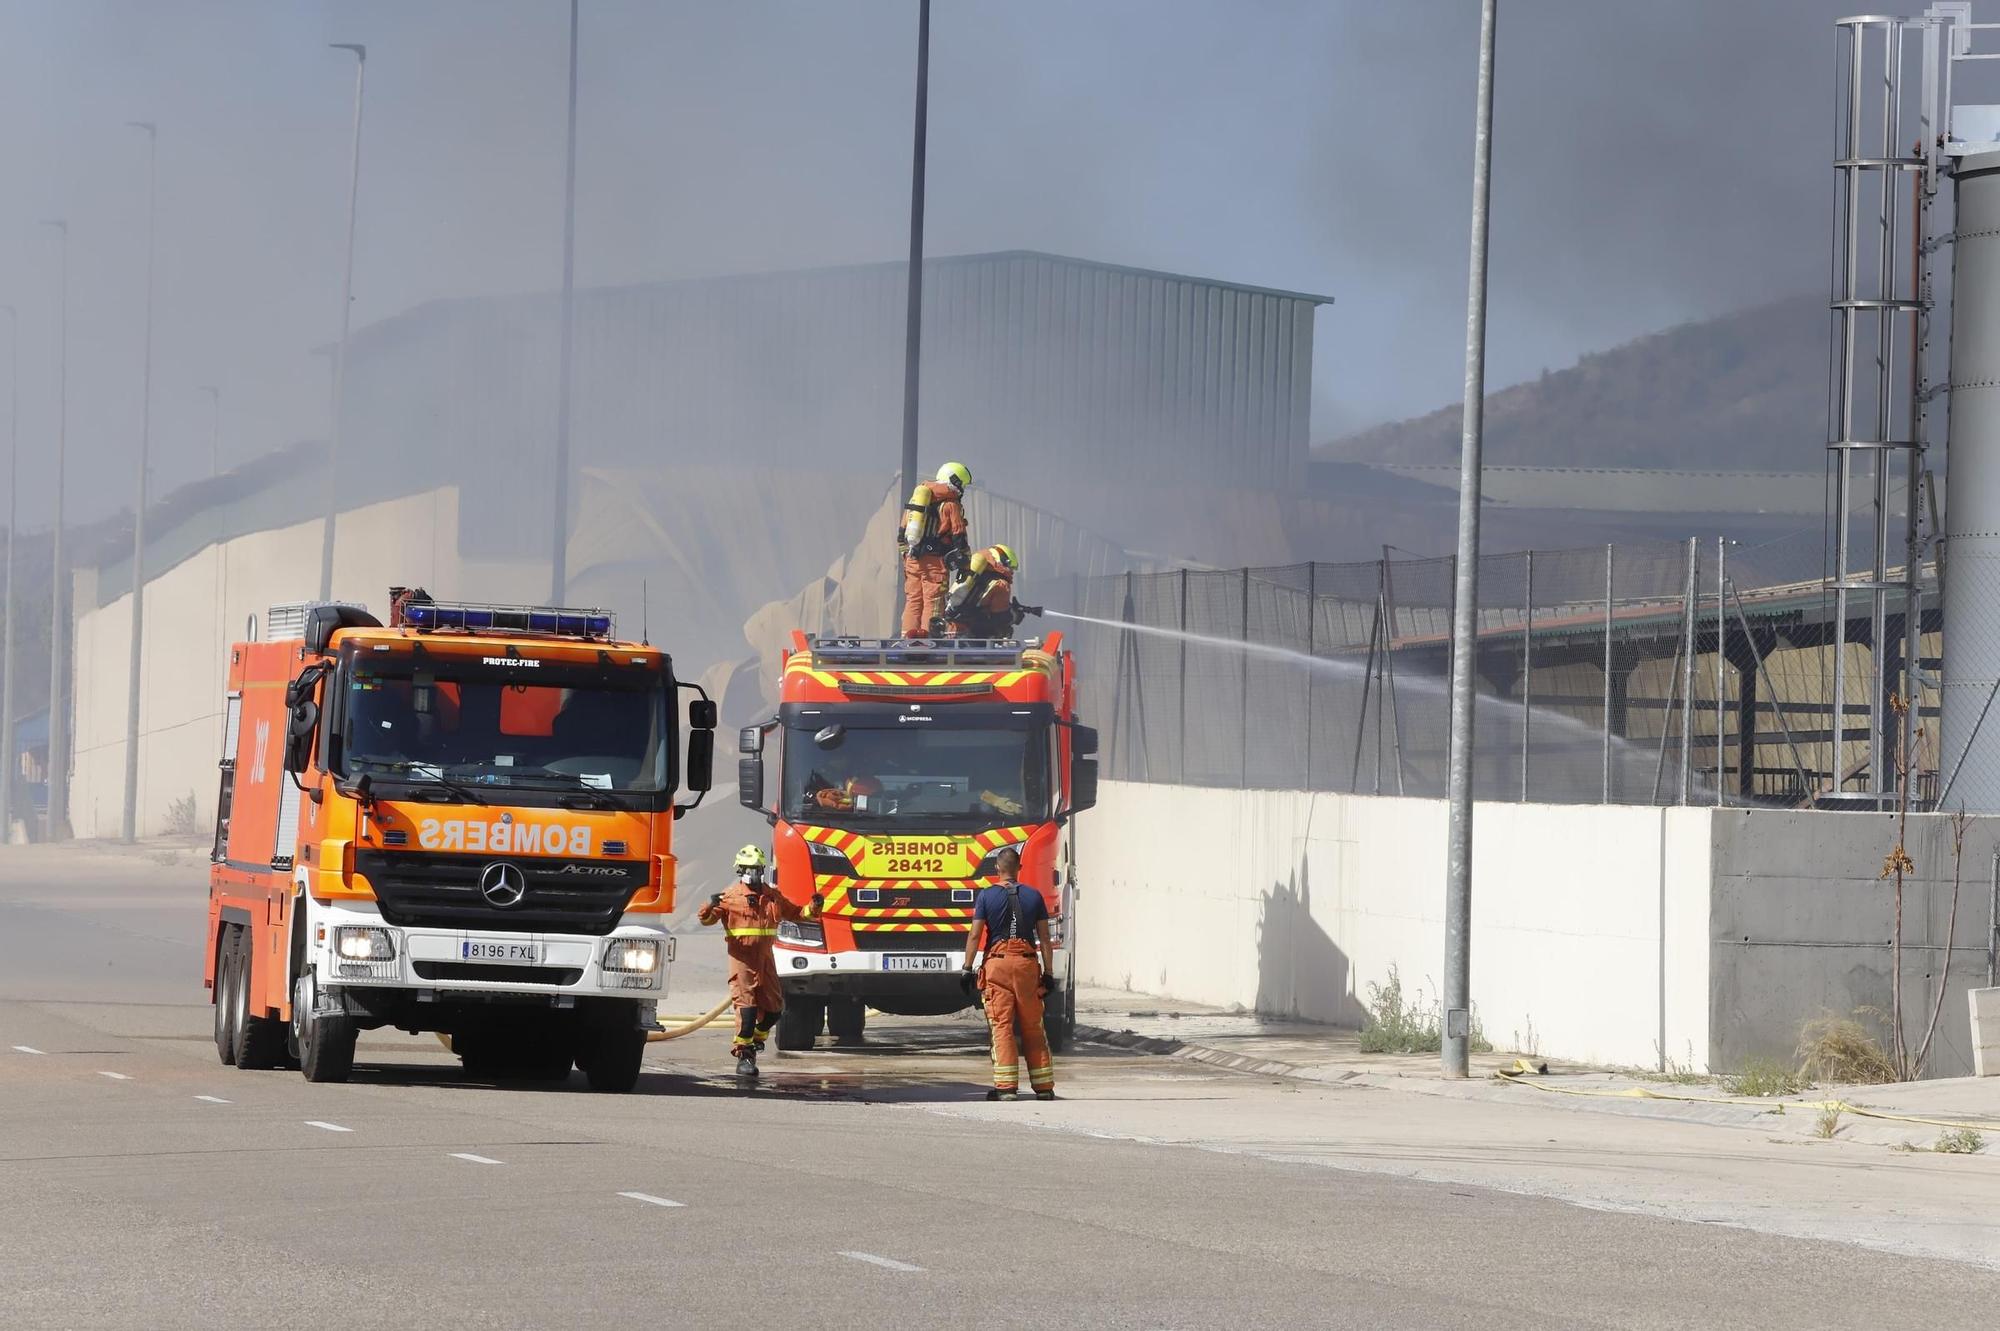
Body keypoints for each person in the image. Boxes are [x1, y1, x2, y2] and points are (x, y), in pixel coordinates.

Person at [698, 845, 821, 1078]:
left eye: (757, 868)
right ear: (740, 870)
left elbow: (796, 913)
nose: (753, 873)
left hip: (766, 959)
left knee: (775, 1010)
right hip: (742, 960)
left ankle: (755, 1039)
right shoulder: (730, 897)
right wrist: (710, 904)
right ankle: (744, 1055)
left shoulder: (772, 895)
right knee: (747, 1009)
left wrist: (814, 907)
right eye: (749, 868)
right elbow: (706, 920)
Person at [958, 847, 1056, 1101]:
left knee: (1002, 1026)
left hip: (998, 967)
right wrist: (1049, 972)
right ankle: (1044, 1087)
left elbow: (975, 935)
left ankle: (1006, 1088)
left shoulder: (986, 896)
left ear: (997, 870)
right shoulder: (1034, 896)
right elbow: (1044, 938)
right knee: (1033, 1025)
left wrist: (967, 969)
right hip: (1026, 966)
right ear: (1019, 869)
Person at [897, 461, 972, 639]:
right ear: (956, 481)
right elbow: (959, 536)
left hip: (912, 559)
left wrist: (907, 558)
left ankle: (906, 640)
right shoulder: (950, 505)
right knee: (933, 601)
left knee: (913, 600)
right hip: (935, 563)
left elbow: (902, 534)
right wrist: (965, 563)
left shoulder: (917, 499)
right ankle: (929, 642)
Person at [938, 544, 1040, 640]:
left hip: (952, 630)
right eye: (1011, 567)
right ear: (1004, 562)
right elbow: (1000, 618)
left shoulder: (974, 575)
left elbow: (980, 600)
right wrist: (1014, 616)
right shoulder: (1001, 584)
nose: (1012, 572)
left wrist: (1010, 606)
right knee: (1005, 630)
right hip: (974, 636)